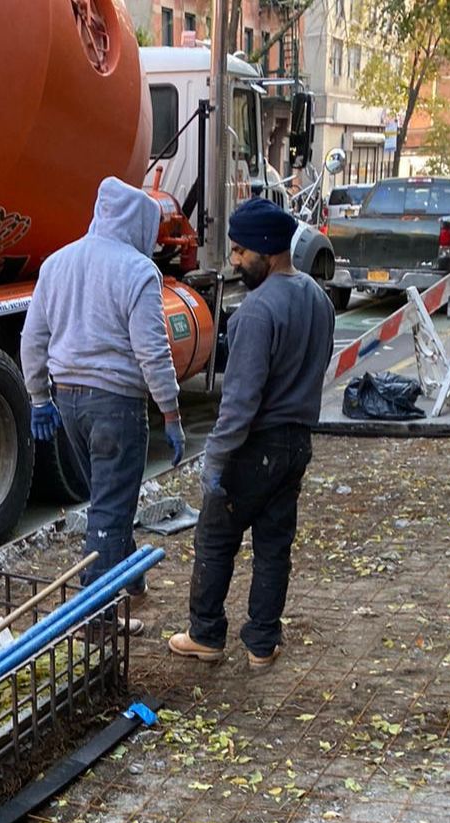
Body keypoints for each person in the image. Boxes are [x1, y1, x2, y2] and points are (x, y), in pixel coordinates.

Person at [168, 198, 334, 669]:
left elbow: (239, 403)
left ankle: (206, 634)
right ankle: (262, 643)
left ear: (269, 250)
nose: (235, 260)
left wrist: (215, 461)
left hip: (256, 444)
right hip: (297, 442)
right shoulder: (318, 299)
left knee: (215, 537)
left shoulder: (256, 312)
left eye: (241, 251)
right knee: (274, 545)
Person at [21, 176, 184, 635]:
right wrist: (171, 412)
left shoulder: (57, 263)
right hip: (117, 403)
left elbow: (32, 337)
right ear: (139, 225)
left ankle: (128, 575)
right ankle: (97, 621)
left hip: (68, 401)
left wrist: (38, 397)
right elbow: (152, 351)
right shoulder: (137, 271)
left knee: (106, 497)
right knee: (110, 511)